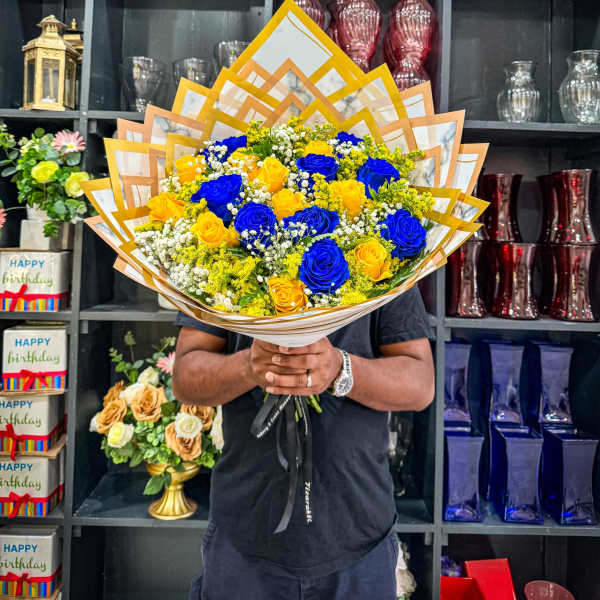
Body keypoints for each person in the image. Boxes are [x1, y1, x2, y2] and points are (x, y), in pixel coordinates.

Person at [173, 287, 434, 600]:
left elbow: (420, 385)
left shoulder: (385, 259)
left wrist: (340, 369)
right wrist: (249, 367)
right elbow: (185, 378)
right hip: (243, 535)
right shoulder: (219, 258)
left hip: (359, 535)